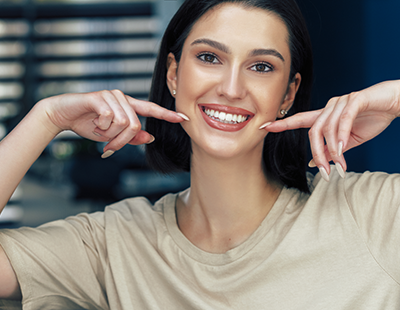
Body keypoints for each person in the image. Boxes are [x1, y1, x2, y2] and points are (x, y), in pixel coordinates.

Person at [0, 0, 399, 308]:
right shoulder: (114, 244)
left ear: (289, 94)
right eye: (209, 58)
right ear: (173, 74)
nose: (230, 87)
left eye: (261, 66)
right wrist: (46, 117)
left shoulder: (371, 212)